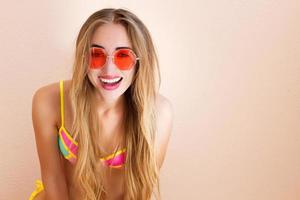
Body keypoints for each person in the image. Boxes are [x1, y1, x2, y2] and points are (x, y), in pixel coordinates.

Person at [29, 8, 173, 200]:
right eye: (96, 54)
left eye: (123, 56)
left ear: (140, 61)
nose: (108, 69)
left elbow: (141, 192)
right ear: (83, 57)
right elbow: (54, 180)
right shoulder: (48, 101)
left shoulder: (159, 113)